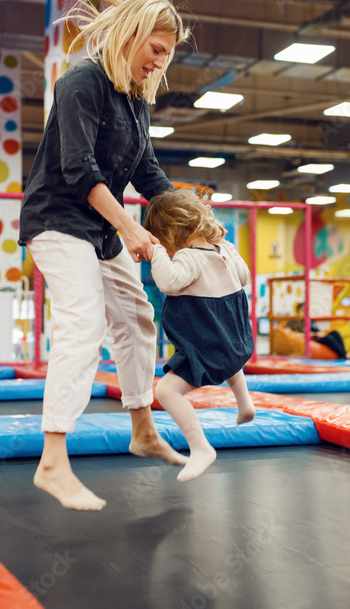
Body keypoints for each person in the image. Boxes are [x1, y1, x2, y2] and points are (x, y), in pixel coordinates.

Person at [18, 0, 191, 511]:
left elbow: (148, 173)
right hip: (56, 217)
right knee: (84, 321)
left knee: (138, 318)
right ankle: (51, 462)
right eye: (156, 49)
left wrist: (197, 224)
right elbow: (79, 170)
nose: (160, 62)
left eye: (168, 54)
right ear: (131, 34)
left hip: (98, 227)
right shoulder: (81, 83)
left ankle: (142, 429)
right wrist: (133, 229)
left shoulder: (136, 101)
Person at [143, 188, 256, 481]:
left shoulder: (189, 258)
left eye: (163, 241)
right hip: (237, 342)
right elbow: (244, 276)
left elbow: (168, 282)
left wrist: (156, 253)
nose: (165, 249)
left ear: (174, 231)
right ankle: (245, 404)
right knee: (229, 362)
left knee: (165, 391)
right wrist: (225, 251)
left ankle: (200, 447)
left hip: (208, 344)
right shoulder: (225, 251)